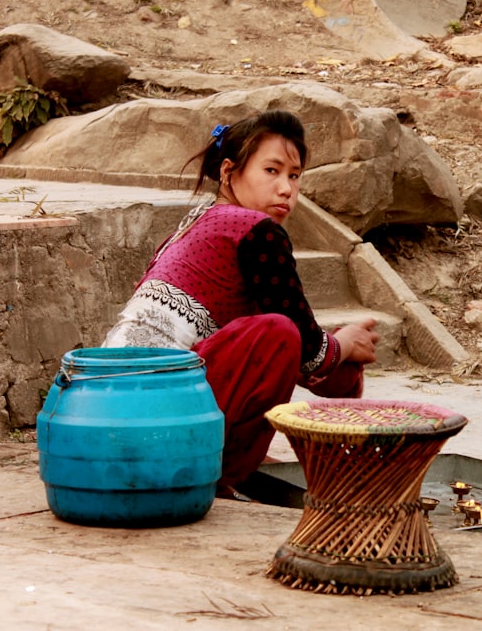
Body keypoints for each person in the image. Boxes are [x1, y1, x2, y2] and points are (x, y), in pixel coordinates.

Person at [102, 109, 379, 501]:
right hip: (155, 413)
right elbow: (304, 346)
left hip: (105, 413)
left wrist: (337, 365)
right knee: (277, 333)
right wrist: (345, 345)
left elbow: (299, 361)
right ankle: (218, 471)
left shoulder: (200, 224)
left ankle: (226, 462)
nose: (286, 188)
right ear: (230, 172)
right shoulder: (255, 231)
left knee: (278, 339)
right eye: (272, 170)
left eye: (294, 176)